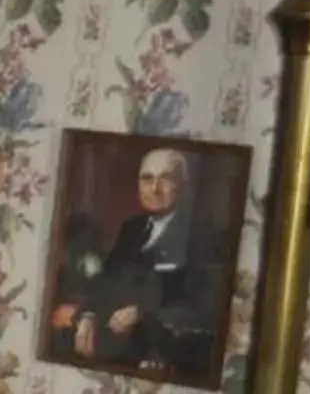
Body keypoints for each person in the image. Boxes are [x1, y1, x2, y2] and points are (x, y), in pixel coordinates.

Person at [46, 145, 227, 378]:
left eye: (166, 179)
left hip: (163, 347)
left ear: (183, 186)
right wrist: (88, 315)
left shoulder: (201, 232)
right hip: (116, 338)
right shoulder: (133, 227)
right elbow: (106, 281)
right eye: (147, 179)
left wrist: (142, 311)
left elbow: (201, 300)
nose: (154, 189)